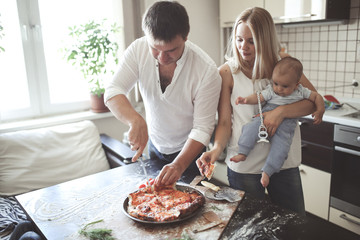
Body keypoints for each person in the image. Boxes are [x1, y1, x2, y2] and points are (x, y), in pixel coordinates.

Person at [197, 7, 322, 215]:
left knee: (292, 226)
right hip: (244, 166)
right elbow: (225, 123)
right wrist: (216, 149)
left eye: (251, 41)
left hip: (283, 163)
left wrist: (280, 112)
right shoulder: (227, 72)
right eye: (239, 39)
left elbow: (314, 102)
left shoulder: (284, 66)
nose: (243, 47)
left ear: (264, 40)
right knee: (250, 229)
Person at [105, 1, 221, 186]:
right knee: (156, 205)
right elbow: (113, 91)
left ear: (185, 37)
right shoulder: (138, 49)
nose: (162, 58)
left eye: (170, 50)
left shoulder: (206, 70)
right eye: (155, 48)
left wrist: (178, 165)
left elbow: (202, 128)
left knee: (189, 209)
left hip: (189, 154)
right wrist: (135, 120)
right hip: (155, 146)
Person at [232, 57, 325, 188]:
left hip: (286, 126)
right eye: (276, 83)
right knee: (250, 128)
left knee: (281, 150)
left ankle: (268, 171)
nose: (279, 89)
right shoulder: (272, 90)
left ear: (296, 85)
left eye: (285, 86)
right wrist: (246, 100)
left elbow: (316, 97)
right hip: (265, 117)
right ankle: (242, 152)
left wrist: (320, 109)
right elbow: (259, 96)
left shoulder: (301, 92)